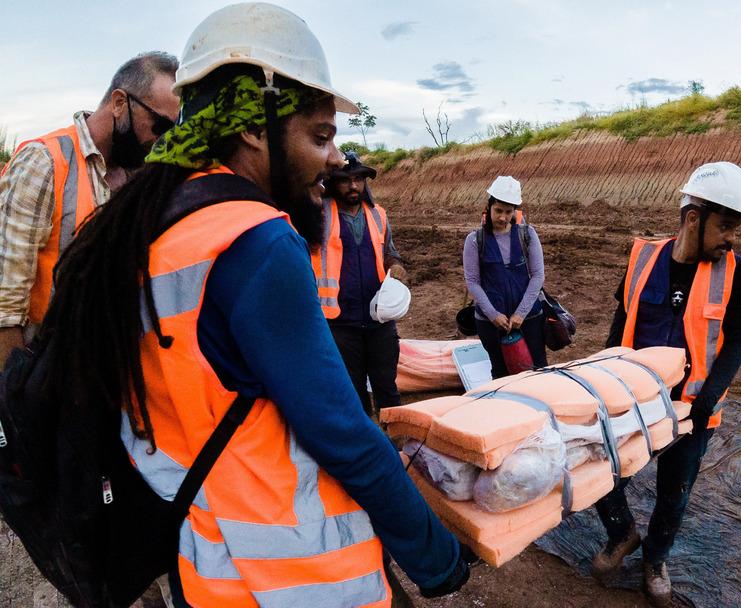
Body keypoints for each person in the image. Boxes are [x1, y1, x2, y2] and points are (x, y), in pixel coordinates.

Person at [41, 4, 469, 606]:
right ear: (252, 128)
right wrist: (436, 555)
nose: (333, 158)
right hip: (293, 576)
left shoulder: (155, 225)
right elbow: (342, 431)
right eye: (320, 135)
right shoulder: (253, 239)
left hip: (202, 557)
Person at [592, 162, 741, 607]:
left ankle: (656, 560)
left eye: (735, 228)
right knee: (602, 474)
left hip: (691, 410)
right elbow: (622, 317)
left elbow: (740, 335)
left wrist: (710, 395)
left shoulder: (735, 273)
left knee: (675, 492)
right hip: (633, 402)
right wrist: (602, 376)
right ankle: (623, 533)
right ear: (693, 218)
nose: (731, 238)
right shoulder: (644, 258)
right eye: (725, 226)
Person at [0, 51, 179, 361]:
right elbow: (5, 304)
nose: (161, 139)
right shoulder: (44, 162)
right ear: (120, 102)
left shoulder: (141, 176)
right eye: (159, 124)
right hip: (40, 372)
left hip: (96, 375)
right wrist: (15, 395)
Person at [314, 151, 407, 418]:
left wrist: (396, 266)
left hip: (379, 320)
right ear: (333, 182)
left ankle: (396, 449)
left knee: (387, 389)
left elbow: (390, 252)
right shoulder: (319, 214)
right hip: (338, 322)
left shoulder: (378, 215)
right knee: (353, 394)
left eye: (358, 179)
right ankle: (366, 449)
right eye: (345, 180)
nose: (353, 186)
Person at [462, 175, 547, 378]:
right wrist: (493, 315)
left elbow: (537, 276)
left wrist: (521, 313)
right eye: (498, 211)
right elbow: (472, 282)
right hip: (490, 323)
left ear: (515, 212)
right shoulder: (475, 240)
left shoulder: (527, 234)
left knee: (538, 370)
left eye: (508, 212)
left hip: (529, 319)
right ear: (489, 207)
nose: (502, 217)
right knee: (500, 373)